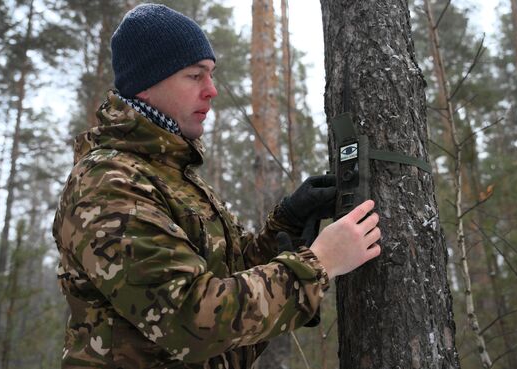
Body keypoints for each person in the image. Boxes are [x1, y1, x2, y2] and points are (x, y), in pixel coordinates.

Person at [52, 3, 381, 369]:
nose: (212, 90)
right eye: (195, 76)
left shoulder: (171, 174)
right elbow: (190, 319)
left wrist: (284, 224)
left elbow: (228, 279)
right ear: (147, 85)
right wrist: (320, 263)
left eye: (211, 75)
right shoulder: (108, 183)